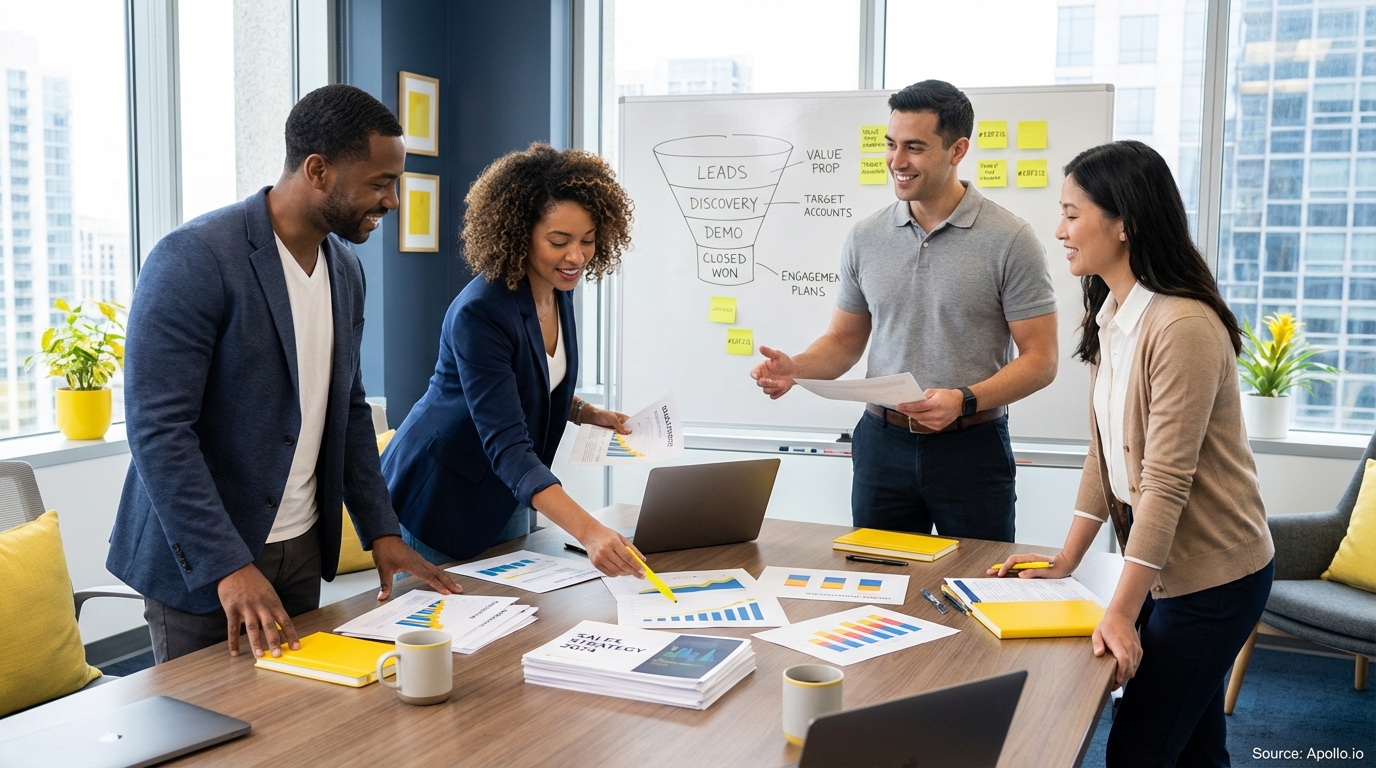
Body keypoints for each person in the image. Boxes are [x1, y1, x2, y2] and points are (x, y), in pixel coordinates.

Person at [107, 84, 460, 664]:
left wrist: (382, 531)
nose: (392, 202)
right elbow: (158, 429)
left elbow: (346, 408)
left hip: (300, 548)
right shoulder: (194, 257)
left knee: (295, 726)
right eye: (379, 183)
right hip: (208, 563)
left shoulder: (345, 270)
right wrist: (227, 564)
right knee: (209, 740)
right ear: (318, 170)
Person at [993, 140, 1275, 767]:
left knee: (1139, 750)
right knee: (1195, 745)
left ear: (1125, 223)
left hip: (1216, 577)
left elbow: (1164, 483)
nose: (1059, 229)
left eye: (1072, 213)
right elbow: (1106, 456)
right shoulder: (1113, 315)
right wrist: (1067, 560)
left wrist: (1119, 611)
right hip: (1165, 571)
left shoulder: (1182, 326)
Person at [750, 80, 1058, 542]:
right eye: (891, 145)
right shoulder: (865, 237)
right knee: (877, 588)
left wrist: (963, 399)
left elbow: (1041, 360)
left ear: (957, 150)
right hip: (881, 444)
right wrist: (797, 368)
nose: (897, 161)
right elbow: (843, 342)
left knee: (975, 589)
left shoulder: (1011, 239)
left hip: (971, 447)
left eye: (914, 147)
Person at [381, 143, 643, 578]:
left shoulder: (557, 290)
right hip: (441, 496)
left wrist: (582, 410)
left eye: (588, 241)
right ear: (520, 233)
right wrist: (591, 531)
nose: (575, 256)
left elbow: (529, 376)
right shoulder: (481, 312)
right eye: (559, 241)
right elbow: (506, 443)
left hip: (508, 491)